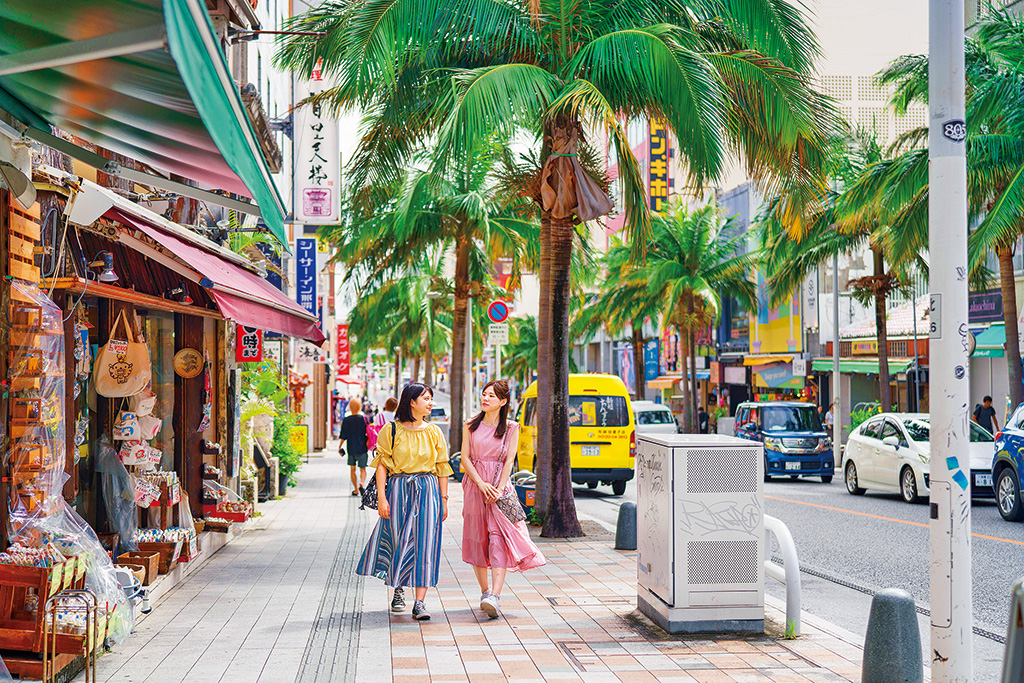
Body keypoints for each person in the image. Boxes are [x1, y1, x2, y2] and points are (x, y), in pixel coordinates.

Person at [357, 383, 451, 621]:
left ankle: (420, 602)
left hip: (428, 490)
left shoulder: (434, 432)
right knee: (399, 538)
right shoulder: (391, 430)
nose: (430, 403)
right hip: (399, 489)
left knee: (425, 542)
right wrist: (381, 497)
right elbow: (381, 466)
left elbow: (441, 469)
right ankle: (398, 590)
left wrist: (444, 500)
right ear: (412, 401)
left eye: (431, 399)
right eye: (426, 398)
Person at [461, 380, 545, 619]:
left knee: (499, 537)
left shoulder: (511, 427)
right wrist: (480, 484)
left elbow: (509, 460)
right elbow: (465, 458)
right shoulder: (470, 425)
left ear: (503, 401)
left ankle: (495, 596)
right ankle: (485, 592)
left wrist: (497, 489)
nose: (485, 399)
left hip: (500, 488)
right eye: (484, 394)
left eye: (491, 396)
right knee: (478, 538)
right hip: (475, 486)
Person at [340, 399, 370, 496]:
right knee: (363, 469)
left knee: (352, 469)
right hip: (362, 448)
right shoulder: (364, 419)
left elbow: (343, 435)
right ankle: (362, 482)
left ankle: (356, 489)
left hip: (351, 448)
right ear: (359, 406)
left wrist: (339, 447)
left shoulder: (346, 420)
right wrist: (368, 443)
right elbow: (369, 433)